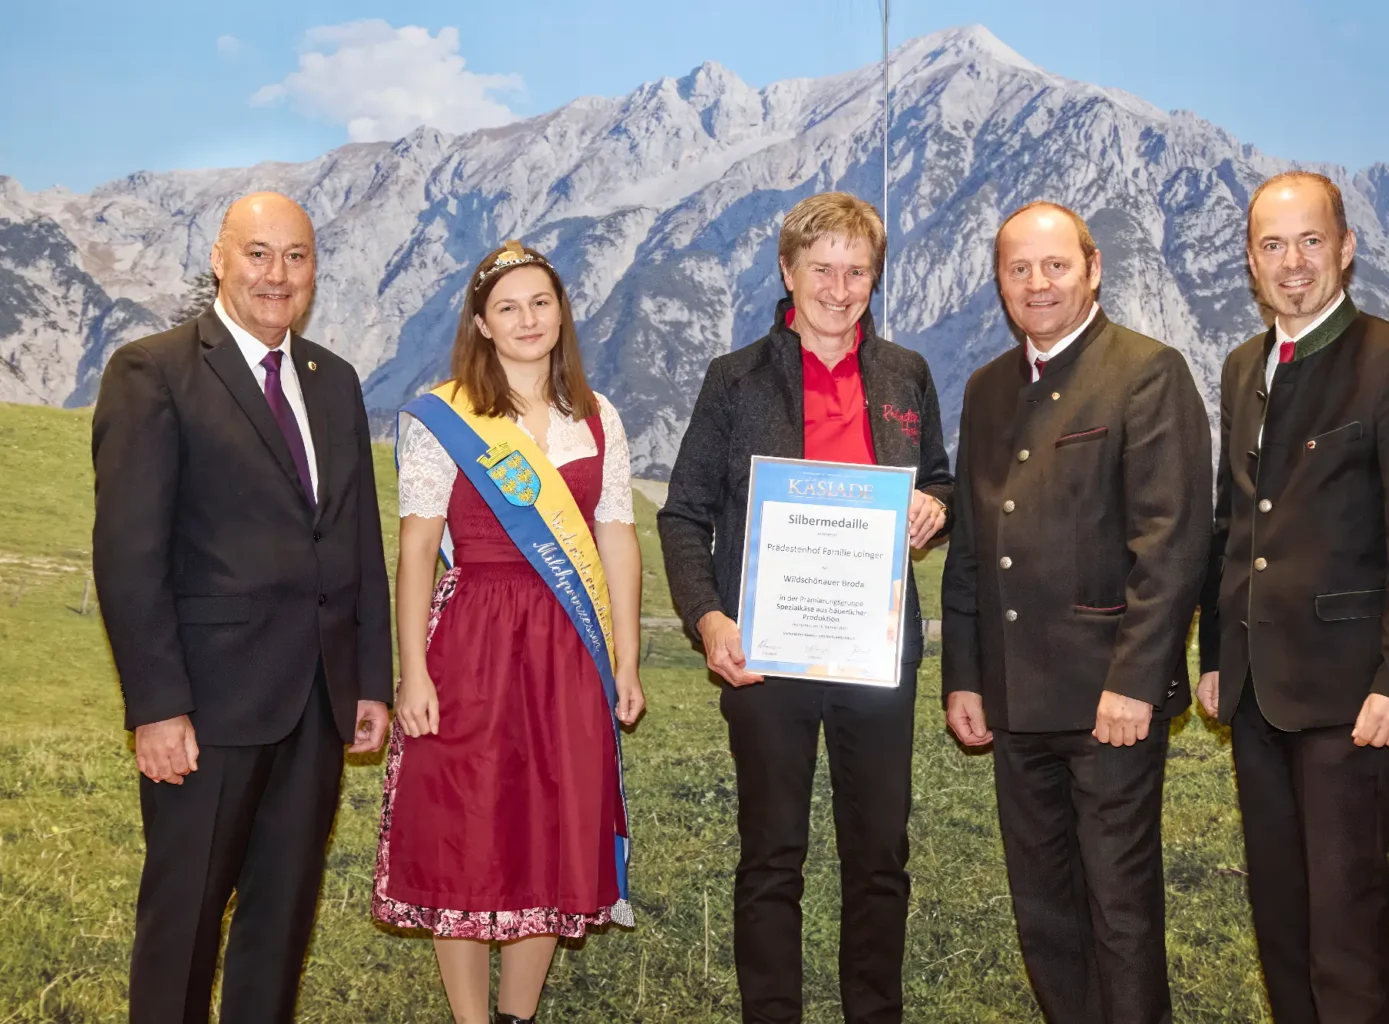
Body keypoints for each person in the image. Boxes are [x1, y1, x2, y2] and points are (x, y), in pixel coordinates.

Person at [92, 191, 393, 1023]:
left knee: (280, 922)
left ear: (315, 272)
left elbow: (356, 539)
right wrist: (156, 706)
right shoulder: (152, 371)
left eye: (295, 257)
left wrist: (371, 680)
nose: (277, 274)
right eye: (258, 253)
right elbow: (128, 555)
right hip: (208, 707)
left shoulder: (333, 380)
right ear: (220, 258)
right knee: (183, 922)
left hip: (318, 702)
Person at [657, 191, 952, 1024]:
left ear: (874, 279)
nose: (839, 285)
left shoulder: (906, 374)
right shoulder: (735, 379)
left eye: (857, 270)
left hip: (874, 651)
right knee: (772, 859)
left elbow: (936, 476)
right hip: (766, 655)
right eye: (821, 267)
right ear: (787, 272)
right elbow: (684, 513)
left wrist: (936, 504)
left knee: (879, 859)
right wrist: (709, 618)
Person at [1196, 171, 1389, 1023]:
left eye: (1312, 241)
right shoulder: (1244, 367)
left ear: (1346, 248)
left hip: (1353, 697)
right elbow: (1232, 523)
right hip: (1254, 693)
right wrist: (1212, 657)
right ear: (1250, 262)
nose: (1294, 263)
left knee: (1344, 927)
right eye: (1273, 246)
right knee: (1279, 920)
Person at [941, 201, 1210, 1024]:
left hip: (1109, 706)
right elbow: (975, 550)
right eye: (1018, 269)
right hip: (1015, 702)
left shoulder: (1147, 370)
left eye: (1055, 265)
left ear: (1093, 268)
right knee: (1045, 910)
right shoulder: (987, 388)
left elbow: (1172, 543)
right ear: (999, 283)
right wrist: (964, 676)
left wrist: (1137, 680)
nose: (1038, 283)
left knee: (1120, 912)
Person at [371, 240, 645, 1024]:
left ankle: (518, 1018)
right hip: (473, 640)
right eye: (508, 308)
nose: (528, 320)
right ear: (483, 325)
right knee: (467, 821)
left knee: (553, 829)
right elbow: (417, 545)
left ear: (561, 312)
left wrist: (625, 661)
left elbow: (616, 536)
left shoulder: (599, 418)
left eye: (541, 303)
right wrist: (413, 671)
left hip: (569, 643)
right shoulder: (442, 414)